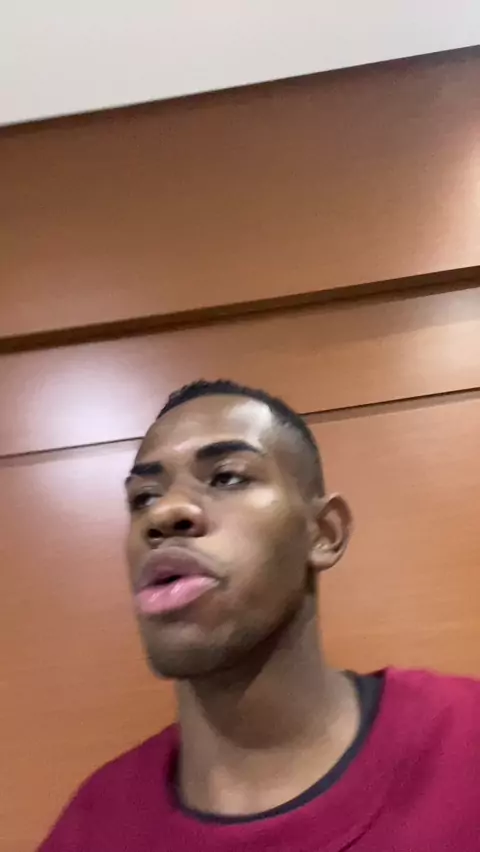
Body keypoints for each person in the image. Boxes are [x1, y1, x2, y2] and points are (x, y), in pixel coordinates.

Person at [39, 379, 480, 851]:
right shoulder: (93, 829)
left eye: (227, 477)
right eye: (143, 497)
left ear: (323, 533)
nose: (164, 513)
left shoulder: (465, 743)